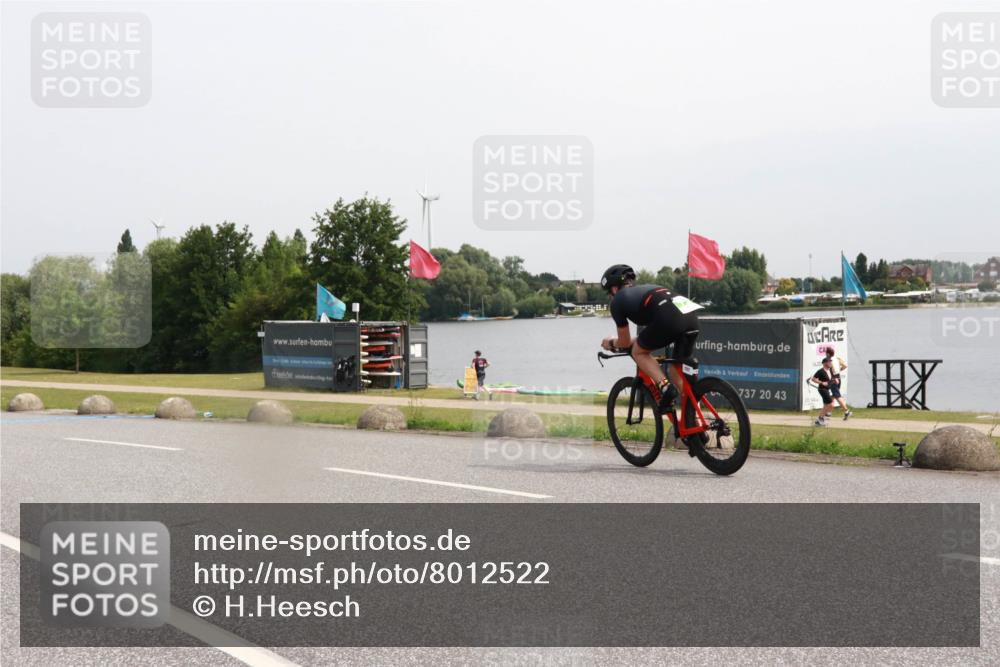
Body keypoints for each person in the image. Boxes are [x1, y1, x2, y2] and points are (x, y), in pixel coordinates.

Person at [599, 264, 703, 410]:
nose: (610, 297)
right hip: (691, 317)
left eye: (609, 293)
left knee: (638, 352)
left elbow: (624, 342)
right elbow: (650, 333)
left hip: (669, 318)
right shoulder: (645, 290)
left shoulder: (618, 301)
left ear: (614, 289)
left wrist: (610, 342)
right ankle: (693, 421)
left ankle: (666, 388)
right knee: (675, 372)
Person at [823, 346, 852, 419]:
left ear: (828, 354)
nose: (825, 354)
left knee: (837, 396)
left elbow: (829, 370)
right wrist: (839, 370)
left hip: (834, 379)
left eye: (826, 352)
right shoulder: (837, 358)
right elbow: (845, 366)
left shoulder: (829, 360)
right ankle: (829, 412)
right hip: (838, 378)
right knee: (833, 396)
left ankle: (847, 411)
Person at [808, 357, 836, 426]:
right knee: (830, 404)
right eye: (829, 362)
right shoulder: (820, 371)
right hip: (822, 389)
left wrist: (834, 381)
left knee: (827, 405)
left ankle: (821, 419)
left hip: (827, 389)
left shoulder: (830, 371)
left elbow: (830, 380)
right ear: (824, 363)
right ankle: (820, 419)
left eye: (830, 362)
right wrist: (821, 382)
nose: (830, 363)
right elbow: (813, 379)